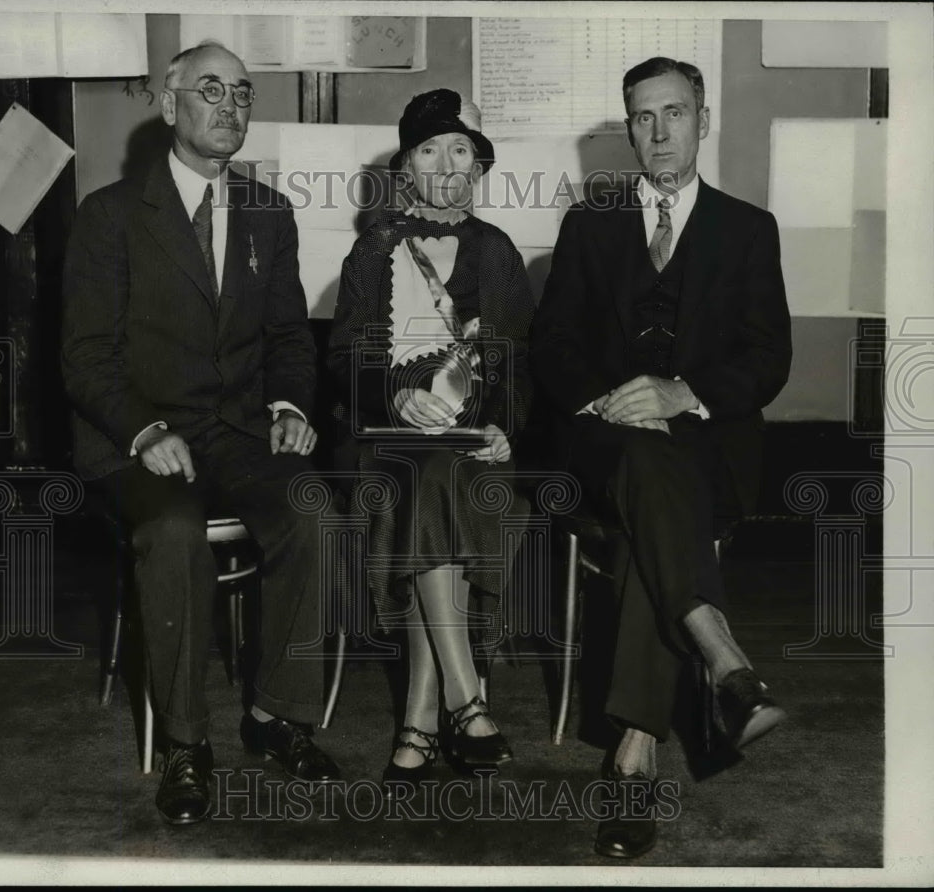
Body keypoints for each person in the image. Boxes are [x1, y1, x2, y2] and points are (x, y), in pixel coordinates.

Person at [61, 41, 341, 826]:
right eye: (211, 90)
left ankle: (275, 716)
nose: (230, 107)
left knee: (314, 511)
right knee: (178, 530)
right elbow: (85, 358)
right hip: (136, 440)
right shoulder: (110, 216)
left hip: (239, 434)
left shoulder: (268, 212)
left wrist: (288, 408)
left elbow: (289, 338)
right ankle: (187, 742)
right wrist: (144, 429)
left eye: (243, 94)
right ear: (169, 101)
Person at [531, 57, 792, 858]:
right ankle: (718, 657)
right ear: (629, 131)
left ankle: (634, 750)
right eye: (642, 119)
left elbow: (767, 358)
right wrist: (614, 403)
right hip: (603, 444)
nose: (658, 132)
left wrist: (680, 395)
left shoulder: (748, 228)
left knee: (659, 484)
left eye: (674, 113)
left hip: (707, 446)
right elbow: (553, 348)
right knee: (645, 465)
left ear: (703, 121)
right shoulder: (590, 225)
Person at [327, 89, 535, 792]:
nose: (446, 164)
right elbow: (341, 360)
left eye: (460, 149)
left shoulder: (499, 253)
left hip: (475, 447)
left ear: (477, 166)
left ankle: (421, 717)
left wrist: (508, 426)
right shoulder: (373, 251)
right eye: (428, 149)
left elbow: (522, 363)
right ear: (407, 167)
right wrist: (395, 394)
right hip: (390, 440)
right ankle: (466, 698)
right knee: (420, 478)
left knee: (438, 482)